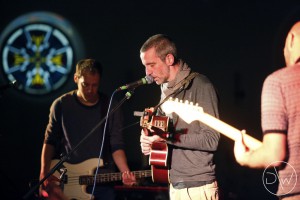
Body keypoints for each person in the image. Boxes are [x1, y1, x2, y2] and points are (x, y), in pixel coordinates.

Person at [39, 58, 136, 200]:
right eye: (85, 85)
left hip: (102, 182)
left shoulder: (110, 106)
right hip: (68, 180)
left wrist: (125, 172)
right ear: (76, 78)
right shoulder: (61, 104)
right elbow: (49, 141)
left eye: (95, 85)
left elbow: (117, 145)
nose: (90, 90)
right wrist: (44, 172)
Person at [139, 34, 220, 200]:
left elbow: (212, 139)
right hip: (175, 184)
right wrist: (147, 141)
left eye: (151, 65)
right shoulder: (165, 89)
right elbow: (161, 133)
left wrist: (167, 138)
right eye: (145, 66)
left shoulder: (201, 86)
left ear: (169, 59)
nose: (147, 73)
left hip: (199, 185)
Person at [234, 21, 300, 199]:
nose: (283, 52)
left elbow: (275, 154)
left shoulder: (278, 82)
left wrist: (245, 158)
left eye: (284, 46)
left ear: (292, 40)